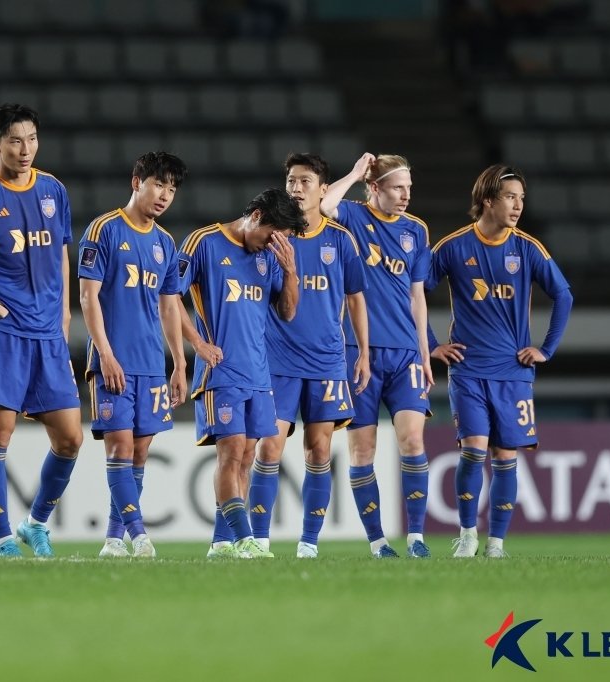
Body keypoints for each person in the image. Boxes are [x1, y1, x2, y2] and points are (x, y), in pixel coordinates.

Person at [0, 103, 84, 558]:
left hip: (48, 334)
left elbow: (62, 248)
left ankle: (34, 524)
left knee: (70, 438)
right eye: (15, 141)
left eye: (31, 139)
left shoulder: (53, 190)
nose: (25, 149)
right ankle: (3, 539)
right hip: (3, 333)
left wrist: (65, 311)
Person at [427, 164, 572, 558]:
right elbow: (411, 291)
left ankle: (497, 544)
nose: (518, 205)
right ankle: (468, 536)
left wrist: (546, 349)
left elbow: (564, 295)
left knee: (505, 456)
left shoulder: (527, 248)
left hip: (513, 372)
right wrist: (432, 344)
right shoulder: (454, 246)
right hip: (469, 370)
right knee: (473, 450)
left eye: (522, 198)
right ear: (487, 201)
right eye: (511, 197)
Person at [247, 153, 370, 559]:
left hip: (327, 361)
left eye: (304, 182)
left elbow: (355, 299)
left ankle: (309, 544)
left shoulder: (341, 240)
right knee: (269, 449)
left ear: (322, 189)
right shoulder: (273, 237)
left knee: (318, 451)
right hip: (277, 360)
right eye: (291, 181)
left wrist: (363, 352)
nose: (296, 188)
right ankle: (260, 541)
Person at [177, 188, 308, 559]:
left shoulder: (270, 257)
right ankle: (244, 539)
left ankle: (222, 542)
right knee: (231, 454)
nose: (273, 242)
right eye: (271, 233)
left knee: (248, 456)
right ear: (254, 215)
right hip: (222, 370)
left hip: (258, 372)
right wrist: (197, 345)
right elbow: (168, 296)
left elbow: (288, 312)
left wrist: (291, 271)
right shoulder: (204, 242)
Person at [320, 153, 435, 559]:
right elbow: (323, 205)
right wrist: (353, 172)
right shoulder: (351, 216)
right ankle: (377, 541)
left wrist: (424, 351)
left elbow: (417, 295)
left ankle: (417, 537)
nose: (405, 196)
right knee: (363, 451)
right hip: (358, 354)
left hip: (405, 355)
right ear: (375, 188)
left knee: (412, 440)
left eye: (408, 188)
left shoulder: (416, 230)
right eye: (397, 188)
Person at [78, 152, 189, 559]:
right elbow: (87, 297)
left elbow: (169, 306)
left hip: (150, 364)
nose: (164, 195)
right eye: (158, 184)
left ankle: (112, 539)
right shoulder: (104, 230)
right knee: (119, 448)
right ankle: (139, 535)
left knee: (139, 452)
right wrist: (104, 354)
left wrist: (178, 362)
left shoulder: (165, 243)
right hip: (113, 360)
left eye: (172, 189)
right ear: (136, 181)